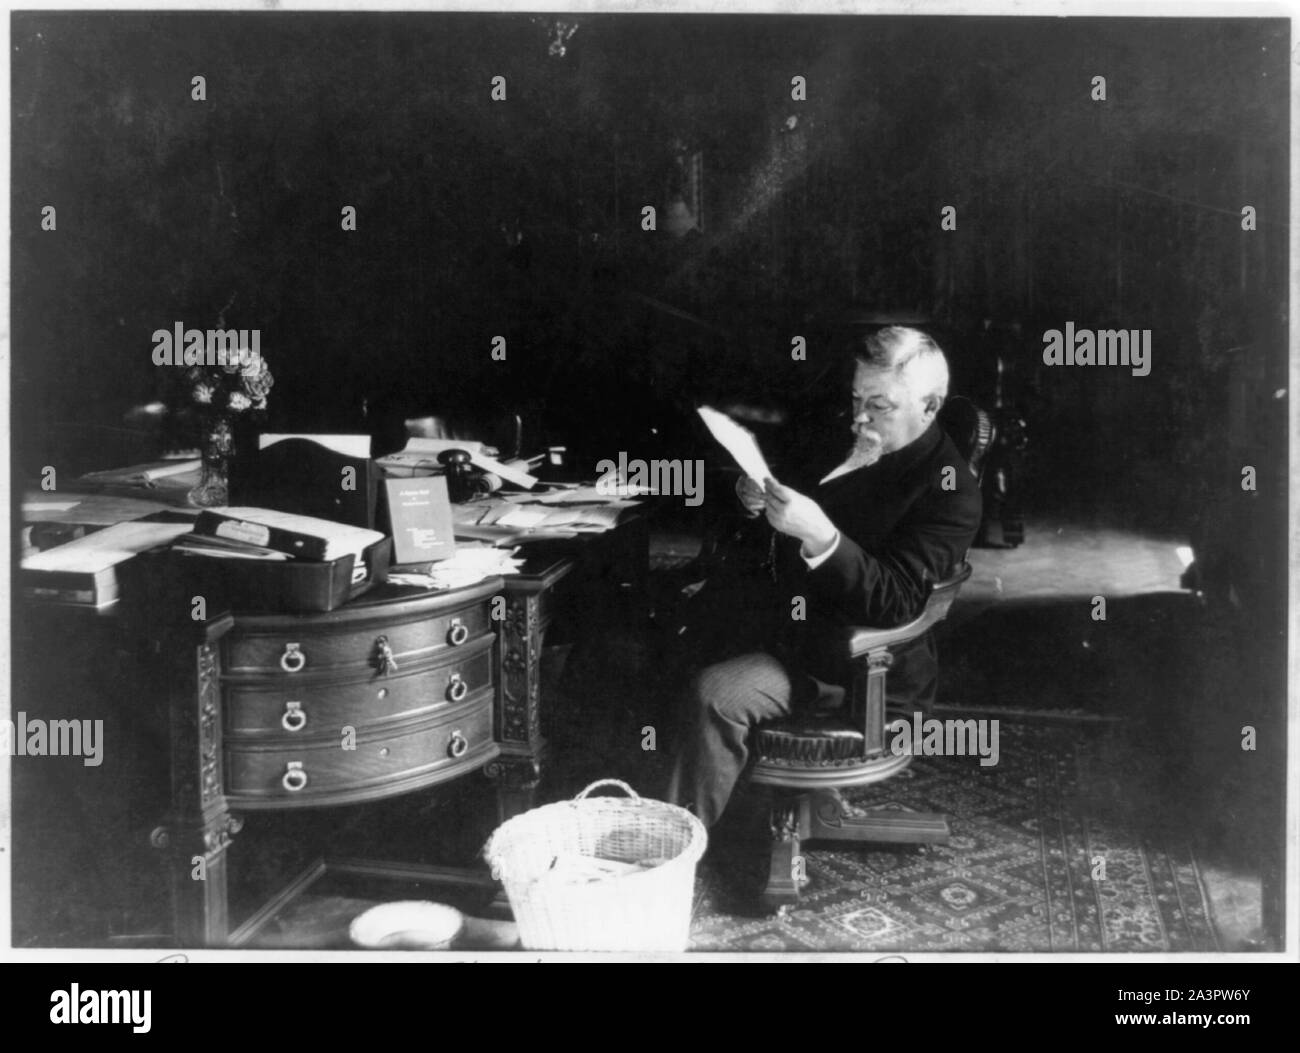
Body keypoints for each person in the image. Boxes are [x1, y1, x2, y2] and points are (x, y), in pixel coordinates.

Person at [665, 326, 983, 829]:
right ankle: (655, 809)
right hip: (782, 624)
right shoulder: (848, 438)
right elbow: (780, 500)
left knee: (716, 693)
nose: (859, 417)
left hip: (854, 668)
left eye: (879, 405)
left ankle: (672, 858)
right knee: (642, 643)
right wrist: (755, 501)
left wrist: (822, 540)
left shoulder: (950, 492)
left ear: (929, 406)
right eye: (857, 398)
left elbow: (898, 602)